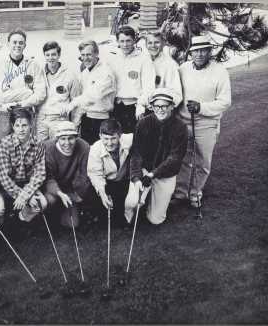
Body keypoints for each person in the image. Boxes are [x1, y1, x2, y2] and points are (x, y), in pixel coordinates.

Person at [172, 34, 231, 208]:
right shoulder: (182, 69)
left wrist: (201, 107)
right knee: (183, 158)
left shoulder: (220, 71)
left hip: (207, 123)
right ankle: (180, 192)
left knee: (203, 161)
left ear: (209, 52)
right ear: (190, 52)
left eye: (204, 50)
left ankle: (196, 192)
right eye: (196, 51)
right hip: (183, 122)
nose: (199, 54)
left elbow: (225, 101)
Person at [124, 88, 187, 224]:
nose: (161, 109)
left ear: (172, 106)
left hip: (165, 174)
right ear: (151, 107)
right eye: (157, 106)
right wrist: (136, 178)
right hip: (144, 170)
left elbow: (174, 158)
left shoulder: (180, 127)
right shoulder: (143, 123)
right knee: (131, 204)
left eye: (165, 105)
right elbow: (136, 153)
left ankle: (150, 204)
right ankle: (136, 205)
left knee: (156, 219)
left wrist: (153, 174)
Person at [0, 29, 47, 139]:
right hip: (6, 112)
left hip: (26, 110)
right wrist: (27, 92)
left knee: (27, 144)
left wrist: (22, 103)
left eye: (21, 43)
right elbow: (0, 97)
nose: (17, 45)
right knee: (5, 144)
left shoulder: (33, 64)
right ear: (8, 44)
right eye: (14, 42)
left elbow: (41, 94)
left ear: (25, 45)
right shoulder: (1, 65)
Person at [0, 108, 47, 225]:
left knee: (42, 204)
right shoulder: (5, 143)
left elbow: (39, 174)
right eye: (17, 126)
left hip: (28, 185)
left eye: (24, 125)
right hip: (9, 186)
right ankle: (12, 223)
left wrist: (26, 195)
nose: (21, 130)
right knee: (1, 207)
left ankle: (21, 218)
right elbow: (4, 177)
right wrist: (24, 196)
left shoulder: (39, 144)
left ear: (31, 125)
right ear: (12, 126)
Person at [107, 25, 155, 134]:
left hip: (135, 108)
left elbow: (149, 86)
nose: (125, 45)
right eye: (122, 41)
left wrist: (141, 104)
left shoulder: (144, 59)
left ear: (134, 40)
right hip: (116, 107)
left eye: (128, 41)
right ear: (117, 42)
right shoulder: (113, 59)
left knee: (136, 141)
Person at [43, 121, 92, 228]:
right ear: (57, 139)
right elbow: (48, 178)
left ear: (76, 137)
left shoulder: (84, 147)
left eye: (71, 138)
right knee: (50, 200)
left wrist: (76, 194)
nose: (67, 143)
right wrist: (59, 193)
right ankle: (49, 216)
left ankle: (64, 210)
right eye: (63, 138)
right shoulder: (47, 148)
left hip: (71, 189)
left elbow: (84, 174)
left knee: (73, 224)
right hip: (53, 189)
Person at [67, 40, 116, 145]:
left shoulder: (106, 71)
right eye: (83, 55)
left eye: (89, 54)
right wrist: (76, 122)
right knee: (87, 152)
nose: (85, 58)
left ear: (96, 53)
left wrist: (72, 104)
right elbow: (83, 98)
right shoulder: (85, 73)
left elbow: (94, 95)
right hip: (87, 119)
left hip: (102, 119)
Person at [87, 119, 132, 226]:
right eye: (106, 139)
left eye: (113, 138)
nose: (110, 143)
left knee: (122, 216)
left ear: (120, 135)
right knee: (105, 218)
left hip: (124, 182)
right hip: (107, 183)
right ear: (100, 136)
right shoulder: (95, 149)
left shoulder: (129, 139)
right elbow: (95, 175)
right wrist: (102, 194)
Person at [36, 41, 81, 142]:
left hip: (59, 119)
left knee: (58, 150)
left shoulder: (70, 75)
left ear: (59, 55)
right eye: (47, 55)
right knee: (41, 150)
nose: (50, 58)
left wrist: (75, 124)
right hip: (41, 119)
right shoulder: (39, 73)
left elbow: (77, 102)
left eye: (53, 54)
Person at [145, 30, 182, 99]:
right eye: (150, 43)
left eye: (157, 42)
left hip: (162, 106)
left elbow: (176, 93)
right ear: (146, 45)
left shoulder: (171, 65)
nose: (153, 46)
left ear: (163, 43)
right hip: (143, 104)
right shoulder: (143, 61)